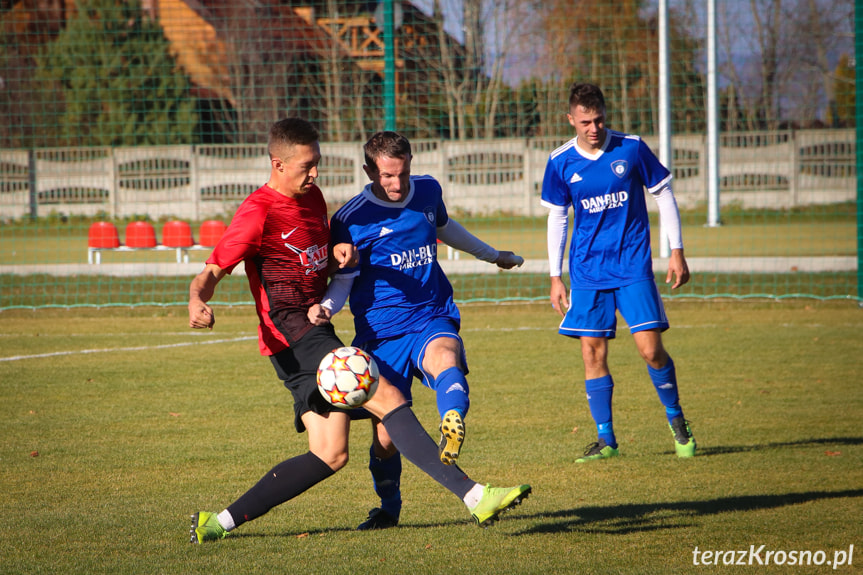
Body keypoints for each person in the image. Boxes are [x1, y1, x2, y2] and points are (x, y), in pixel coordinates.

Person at [187, 118, 530, 543]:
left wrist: (338, 257)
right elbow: (214, 268)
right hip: (293, 330)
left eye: (317, 163)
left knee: (329, 455)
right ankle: (475, 495)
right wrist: (196, 298)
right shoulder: (258, 211)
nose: (315, 174)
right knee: (386, 394)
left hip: (308, 331)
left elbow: (317, 260)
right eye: (306, 166)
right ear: (277, 164)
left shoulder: (312, 199)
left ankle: (216, 523)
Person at [321, 131, 525, 530]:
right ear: (369, 172)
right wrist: (326, 308)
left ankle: (452, 421)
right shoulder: (350, 219)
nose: (398, 184)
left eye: (403, 173)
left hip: (431, 313)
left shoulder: (428, 190)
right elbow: (345, 278)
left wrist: (493, 255)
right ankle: (388, 508)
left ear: (412, 162)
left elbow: (446, 228)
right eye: (387, 177)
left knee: (446, 356)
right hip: (380, 334)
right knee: (385, 440)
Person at [541, 83, 696, 463]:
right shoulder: (560, 161)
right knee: (592, 353)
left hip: (632, 267)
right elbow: (558, 218)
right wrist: (555, 275)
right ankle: (606, 439)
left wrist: (676, 252)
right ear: (571, 120)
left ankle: (677, 420)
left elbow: (663, 194)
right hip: (588, 273)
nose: (593, 128)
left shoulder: (631, 147)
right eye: (585, 122)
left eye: (599, 120)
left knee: (651, 350)